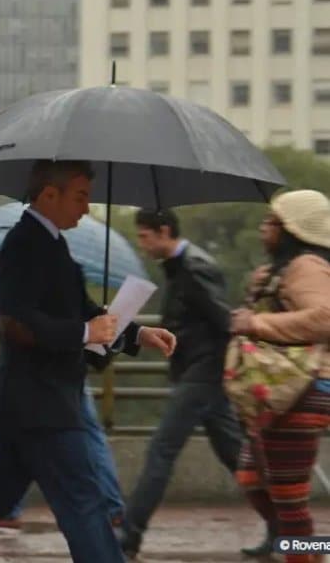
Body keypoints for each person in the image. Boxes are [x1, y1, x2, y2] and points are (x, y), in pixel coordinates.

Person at [0, 160, 177, 563]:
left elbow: (85, 310)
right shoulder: (24, 245)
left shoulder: (51, 243)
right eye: (80, 197)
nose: (86, 209)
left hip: (31, 401)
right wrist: (86, 334)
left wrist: (137, 333)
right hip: (43, 402)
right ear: (49, 195)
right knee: (84, 503)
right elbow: (16, 323)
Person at [119, 209, 243, 557]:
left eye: (145, 236)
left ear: (163, 231)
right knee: (236, 455)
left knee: (162, 450)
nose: (141, 244)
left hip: (202, 373)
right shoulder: (180, 267)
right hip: (199, 374)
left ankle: (129, 536)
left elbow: (222, 321)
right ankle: (285, 524)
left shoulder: (195, 267)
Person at [231, 190, 330, 562]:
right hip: (279, 391)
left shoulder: (307, 266)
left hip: (303, 390)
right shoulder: (284, 269)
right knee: (252, 480)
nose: (263, 228)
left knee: (288, 499)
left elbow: (325, 317)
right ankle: (313, 550)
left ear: (292, 229)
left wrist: (257, 321)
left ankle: (310, 553)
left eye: (272, 222)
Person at [0, 352, 126, 532]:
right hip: (66, 357)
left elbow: (38, 326)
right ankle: (110, 508)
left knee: (20, 428)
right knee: (89, 433)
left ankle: (5, 510)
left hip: (46, 359)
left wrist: (3, 350)